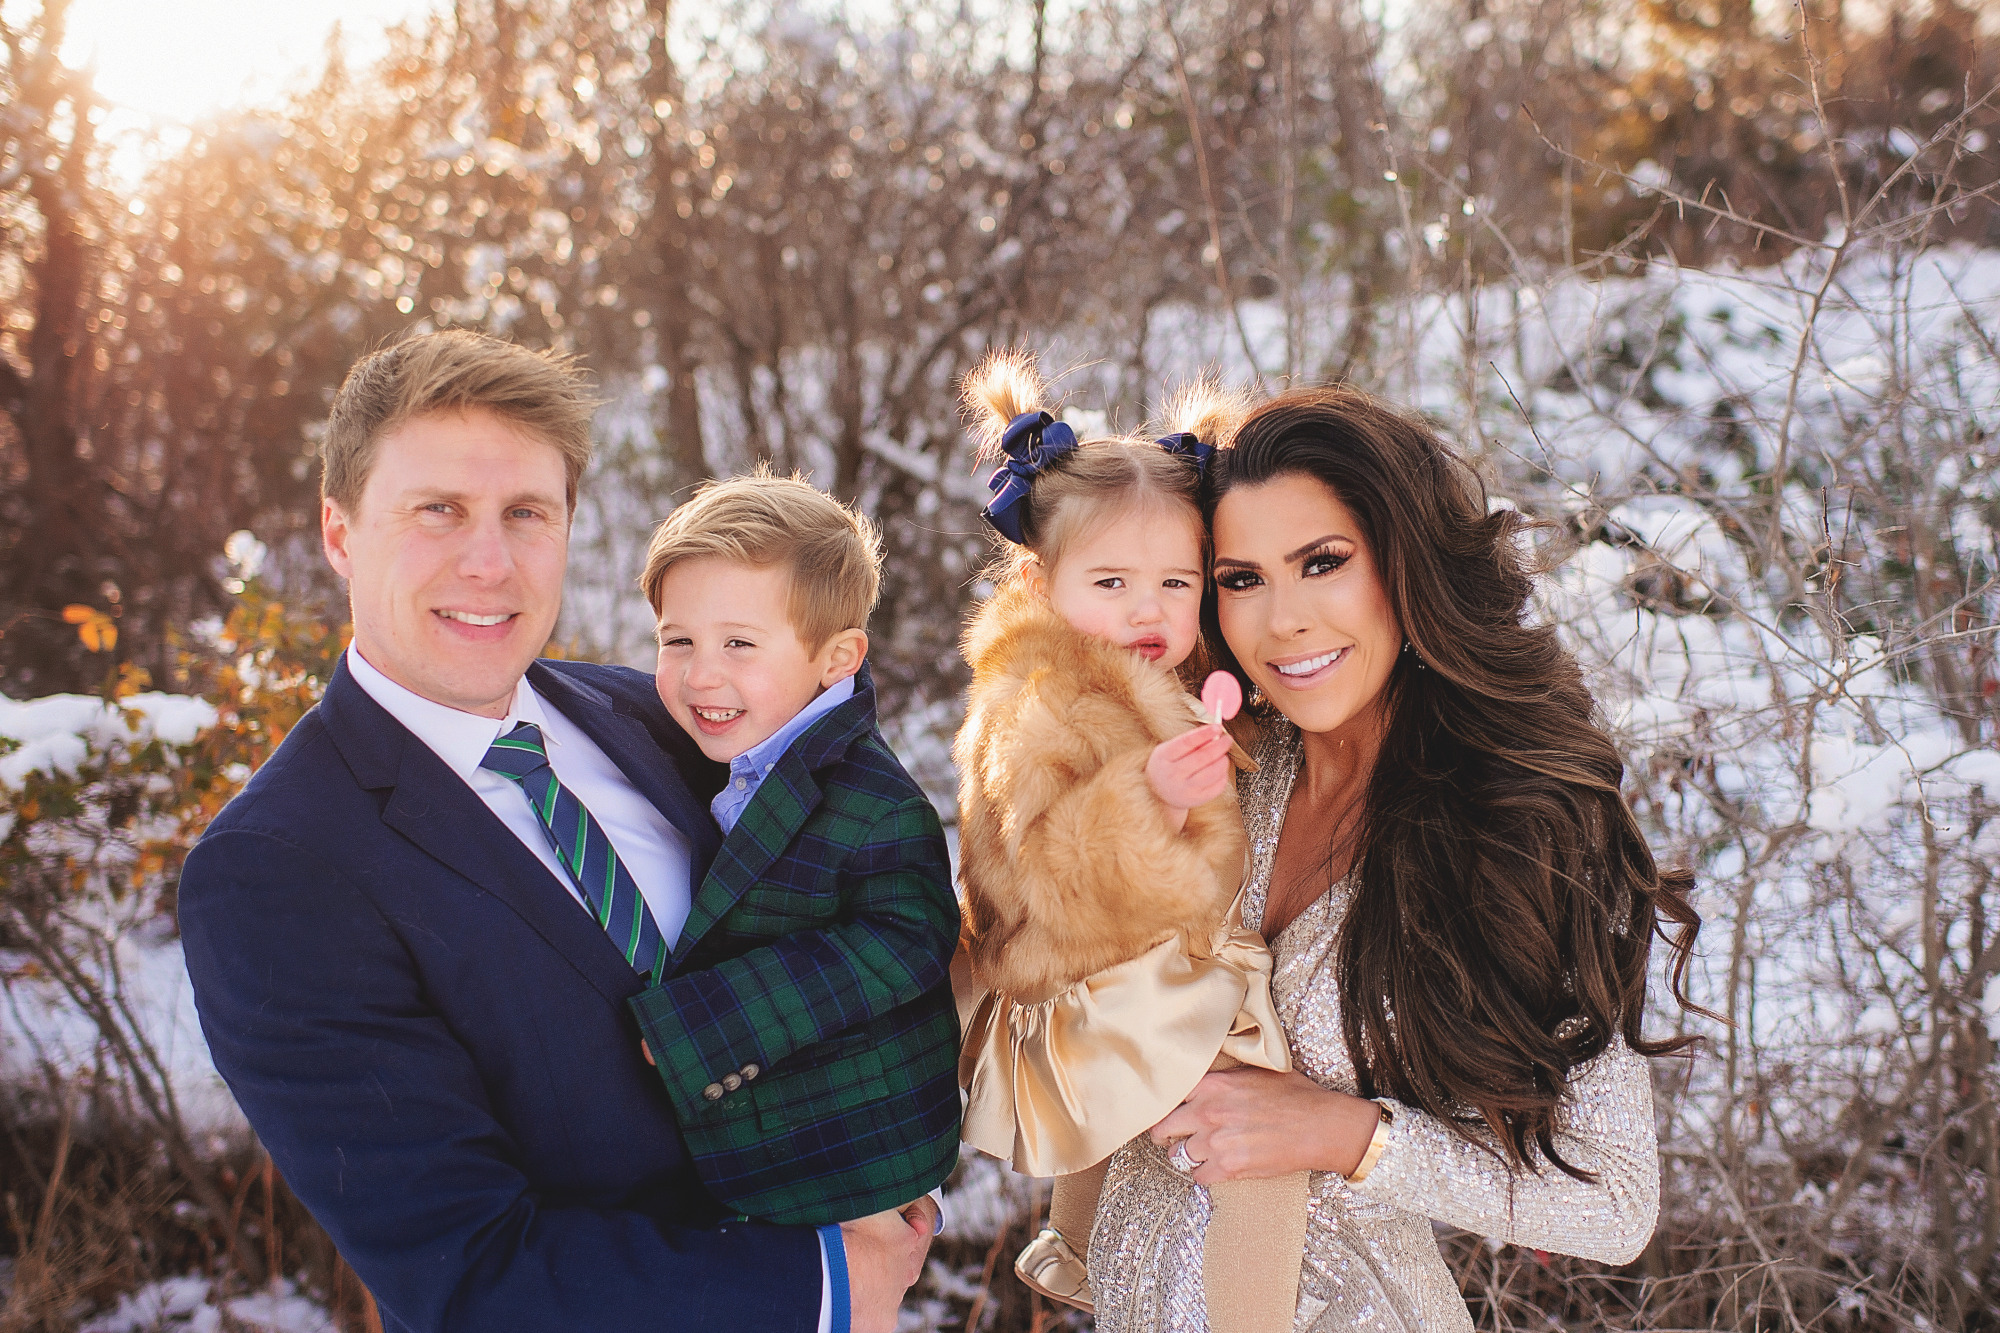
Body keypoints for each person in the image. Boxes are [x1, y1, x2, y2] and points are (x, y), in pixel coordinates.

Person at [178, 331, 934, 1333]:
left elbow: (869, 900)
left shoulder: (660, 717)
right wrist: (825, 1283)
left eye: (526, 513)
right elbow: (470, 1274)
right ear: (339, 532)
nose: (487, 563)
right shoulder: (276, 870)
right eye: (437, 510)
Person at [1085, 386, 1705, 1331]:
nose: (1281, 620)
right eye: (1240, 577)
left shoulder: (1514, 824)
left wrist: (1346, 1134)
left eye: (1322, 563)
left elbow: (1616, 1204)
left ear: (1404, 565)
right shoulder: (1225, 766)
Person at [951, 351, 1305, 1332]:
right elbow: (1032, 859)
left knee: (1119, 1112)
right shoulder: (1040, 699)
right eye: (1110, 580)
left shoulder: (1135, 672)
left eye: (1172, 580)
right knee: (1262, 1143)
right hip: (1075, 977)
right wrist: (1139, 795)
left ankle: (1073, 1244)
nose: (1146, 608)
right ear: (1039, 576)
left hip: (1105, 973)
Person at [627, 470, 961, 1229]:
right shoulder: (729, 749)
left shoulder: (876, 802)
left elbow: (907, 939)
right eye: (677, 640)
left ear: (837, 657)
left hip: (841, 1165)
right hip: (754, 1159)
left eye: (739, 643)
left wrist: (714, 1020)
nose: (700, 673)